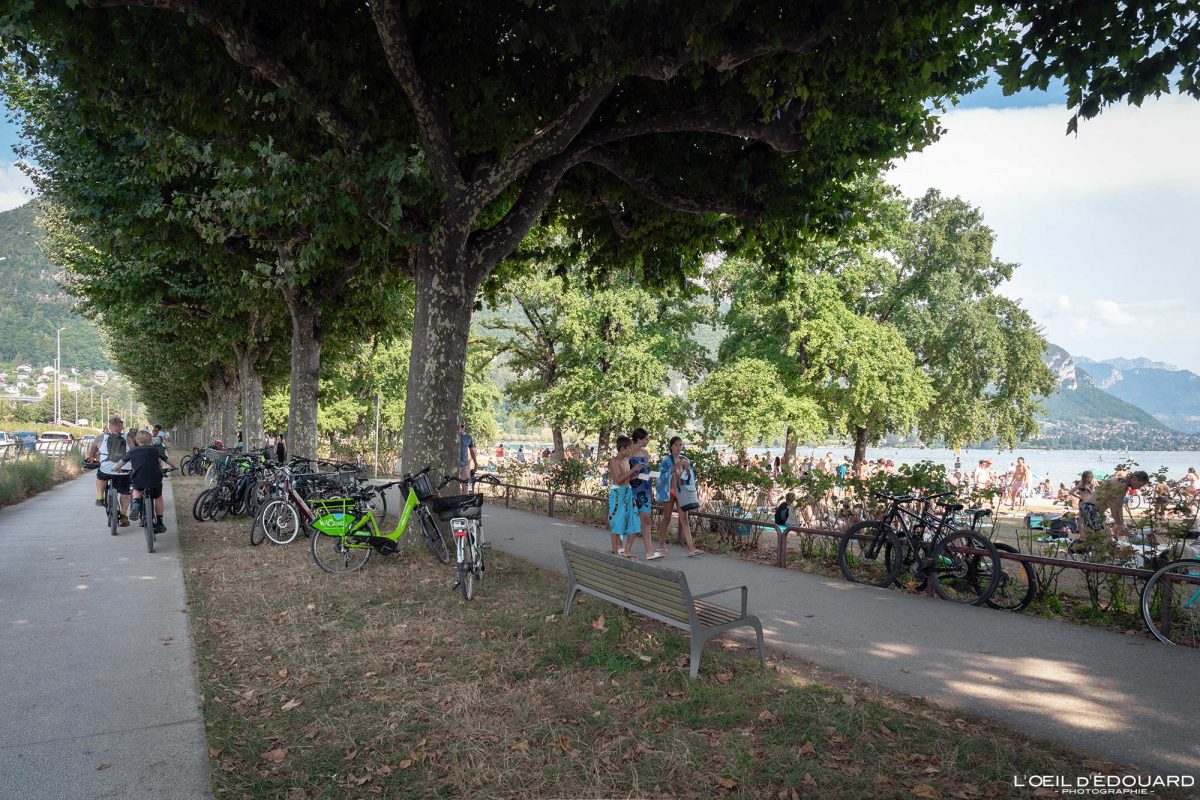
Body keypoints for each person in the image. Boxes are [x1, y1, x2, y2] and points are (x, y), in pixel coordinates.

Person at [118, 430, 175, 533]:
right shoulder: (155, 450)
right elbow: (166, 460)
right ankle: (160, 522)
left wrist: (115, 468)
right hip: (155, 479)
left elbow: (121, 463)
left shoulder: (133, 451)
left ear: (137, 441)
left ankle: (135, 504)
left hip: (139, 478)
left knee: (137, 489)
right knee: (158, 496)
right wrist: (174, 466)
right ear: (150, 440)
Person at [654, 436, 702, 557]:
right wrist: (675, 466)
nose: (678, 448)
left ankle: (691, 548)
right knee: (667, 518)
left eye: (680, 445)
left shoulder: (685, 459)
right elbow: (661, 477)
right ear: (671, 446)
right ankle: (661, 545)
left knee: (684, 519)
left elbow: (690, 477)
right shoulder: (666, 461)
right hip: (669, 491)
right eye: (676, 445)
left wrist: (687, 468)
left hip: (682, 492)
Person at [625, 428, 660, 559]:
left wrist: (651, 487)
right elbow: (625, 474)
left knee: (646, 520)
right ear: (639, 439)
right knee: (636, 520)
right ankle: (627, 549)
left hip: (645, 490)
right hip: (633, 490)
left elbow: (647, 472)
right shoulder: (629, 453)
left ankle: (649, 551)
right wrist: (636, 476)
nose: (648, 441)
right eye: (646, 439)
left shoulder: (645, 453)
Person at [607, 436, 641, 557]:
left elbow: (626, 478)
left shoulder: (626, 459)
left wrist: (635, 476)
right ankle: (616, 552)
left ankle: (627, 550)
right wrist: (633, 470)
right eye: (628, 448)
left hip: (628, 491)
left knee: (635, 521)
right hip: (617, 493)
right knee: (617, 522)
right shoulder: (614, 462)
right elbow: (618, 480)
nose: (630, 451)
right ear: (622, 449)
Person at [95, 416, 132, 527]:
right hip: (123, 469)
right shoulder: (128, 438)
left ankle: (100, 497)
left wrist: (91, 457)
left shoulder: (101, 438)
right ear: (121, 428)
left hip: (106, 469)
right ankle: (124, 516)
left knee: (101, 476)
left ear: (110, 427)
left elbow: (92, 451)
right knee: (125, 492)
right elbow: (134, 451)